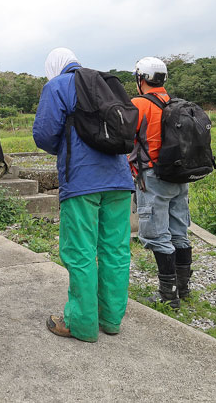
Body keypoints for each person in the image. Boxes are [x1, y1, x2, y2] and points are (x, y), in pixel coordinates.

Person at [32, 47, 133, 342]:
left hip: (81, 181)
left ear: (54, 67)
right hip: (119, 179)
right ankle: (111, 320)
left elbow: (44, 134)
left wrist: (65, 146)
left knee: (81, 253)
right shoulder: (105, 83)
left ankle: (82, 325)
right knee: (115, 251)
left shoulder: (58, 86)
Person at [129, 56, 190, 309]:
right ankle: (184, 289)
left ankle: (168, 296)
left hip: (153, 176)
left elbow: (127, 139)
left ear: (141, 78)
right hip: (180, 176)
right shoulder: (175, 103)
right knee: (179, 232)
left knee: (157, 234)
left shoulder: (138, 104)